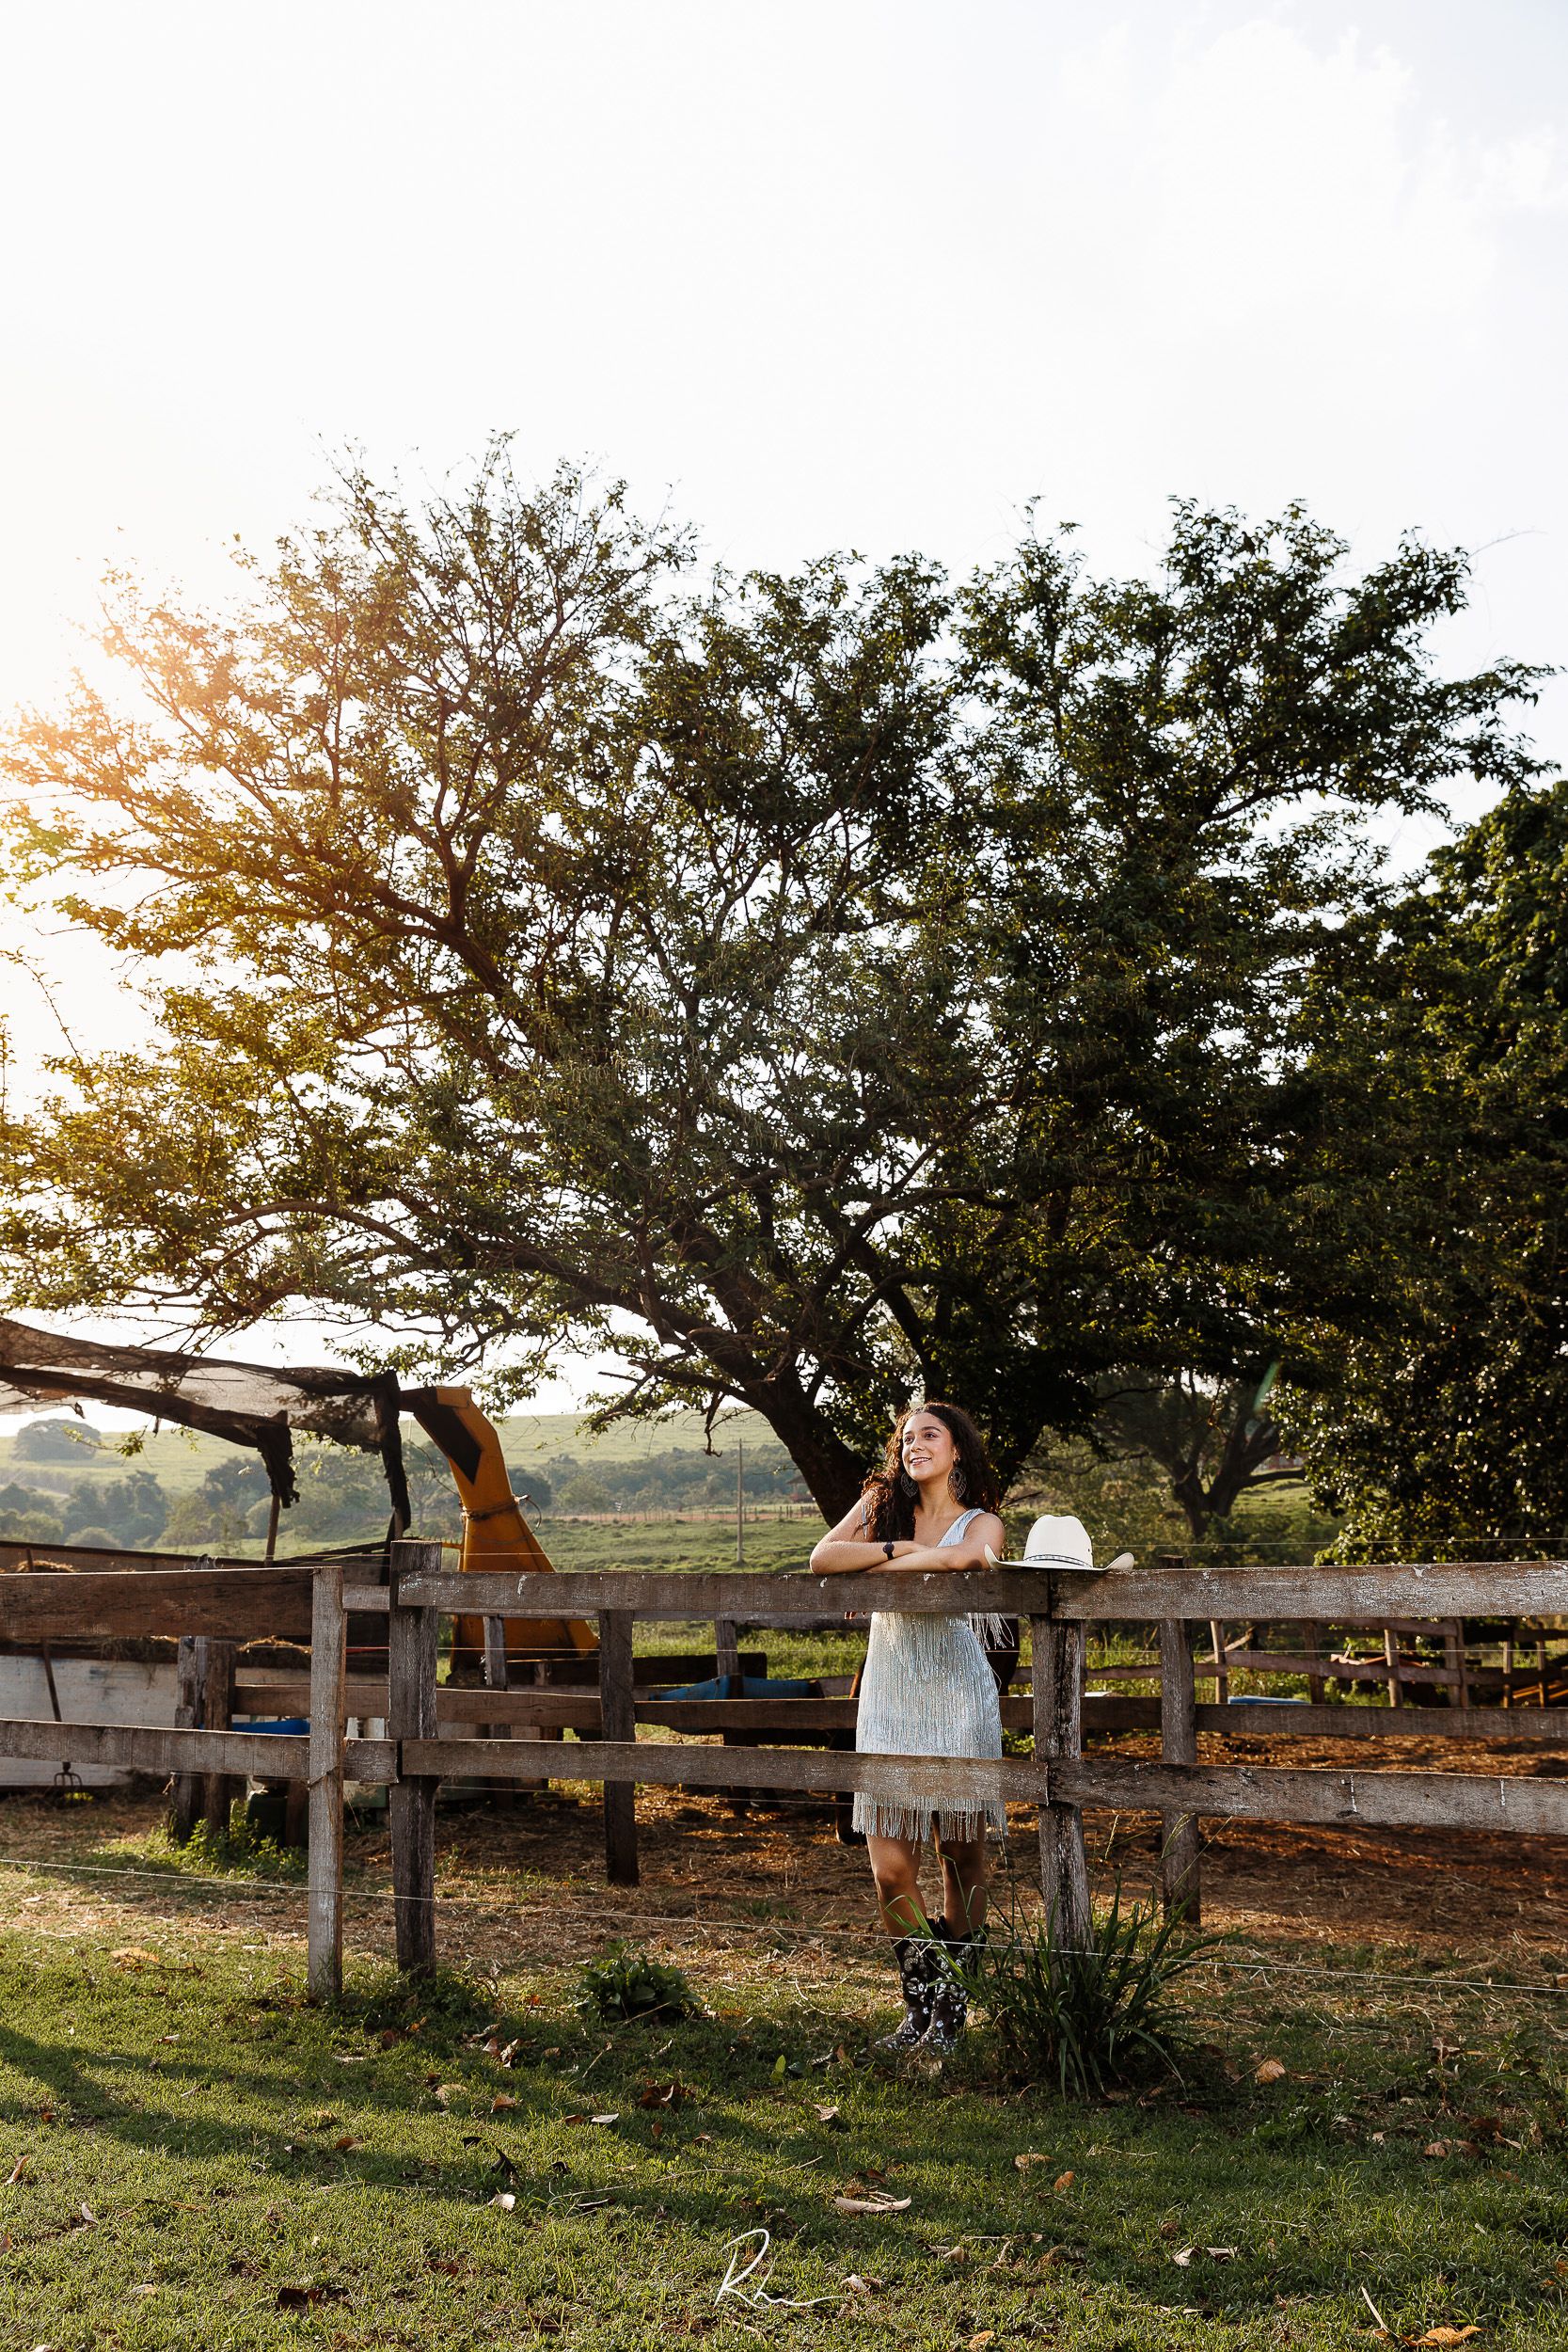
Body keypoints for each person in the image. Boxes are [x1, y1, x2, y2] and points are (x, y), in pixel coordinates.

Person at [809, 1402, 1007, 2056]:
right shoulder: (878, 1506)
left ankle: (948, 2011)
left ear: (957, 1451)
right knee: (891, 1869)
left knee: (961, 1855)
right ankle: (920, 1999)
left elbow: (959, 1565)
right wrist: (903, 1547)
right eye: (906, 1437)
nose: (914, 1444)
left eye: (930, 1434)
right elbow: (821, 1559)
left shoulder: (984, 1522)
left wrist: (879, 1565)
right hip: (889, 1690)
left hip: (957, 1690)